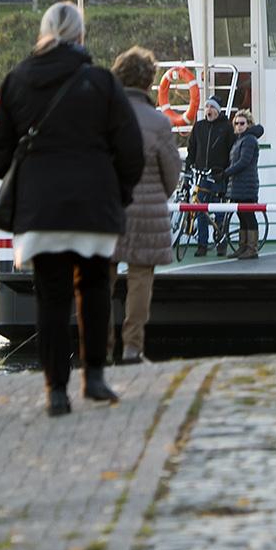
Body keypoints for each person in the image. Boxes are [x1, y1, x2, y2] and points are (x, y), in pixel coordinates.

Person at [0, 2, 143, 417]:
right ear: (81, 37)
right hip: (93, 205)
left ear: (42, 34)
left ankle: (56, 389)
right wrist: (118, 193)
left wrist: (26, 171)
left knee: (50, 298)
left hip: (41, 211)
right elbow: (131, 150)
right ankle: (93, 377)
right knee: (93, 290)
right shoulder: (101, 82)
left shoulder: (16, 80)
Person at [111, 46, 179, 365]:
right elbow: (172, 175)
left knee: (100, 279)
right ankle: (132, 348)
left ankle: (97, 346)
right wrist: (155, 195)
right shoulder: (158, 122)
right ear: (150, 81)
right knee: (140, 278)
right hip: (146, 210)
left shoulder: (101, 116)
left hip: (106, 209)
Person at [184, 97, 234, 255]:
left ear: (218, 110)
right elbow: (191, 150)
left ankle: (221, 243)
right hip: (202, 176)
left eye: (212, 107)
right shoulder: (199, 127)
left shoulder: (226, 127)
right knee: (200, 212)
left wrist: (226, 172)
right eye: (206, 107)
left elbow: (231, 152)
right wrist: (188, 168)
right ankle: (202, 245)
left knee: (219, 211)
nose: (208, 110)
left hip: (218, 176)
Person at [222, 108, 265, 260]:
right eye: (236, 123)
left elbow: (244, 162)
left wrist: (226, 173)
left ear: (248, 124)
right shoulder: (240, 140)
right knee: (241, 214)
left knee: (248, 215)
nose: (239, 126)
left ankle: (251, 248)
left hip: (247, 184)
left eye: (242, 123)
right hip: (238, 184)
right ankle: (243, 246)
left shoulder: (249, 140)